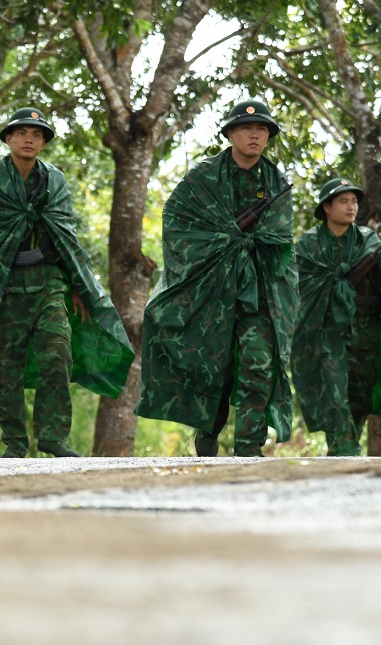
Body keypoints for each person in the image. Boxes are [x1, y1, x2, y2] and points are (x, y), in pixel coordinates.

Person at [0, 107, 133, 458]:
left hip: (50, 283)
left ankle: (53, 438)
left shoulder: (55, 181)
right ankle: (15, 443)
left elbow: (66, 237)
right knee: (8, 367)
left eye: (37, 135)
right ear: (8, 139)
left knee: (58, 358)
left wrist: (77, 288)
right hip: (4, 288)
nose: (29, 140)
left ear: (43, 143)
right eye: (22, 133)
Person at [137, 99, 297, 457]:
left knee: (258, 363)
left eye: (261, 130)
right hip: (210, 288)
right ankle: (207, 434)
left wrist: (246, 243)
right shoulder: (204, 176)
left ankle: (248, 447)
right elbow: (176, 218)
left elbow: (280, 239)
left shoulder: (275, 182)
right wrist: (224, 239)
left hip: (258, 290)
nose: (254, 135)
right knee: (216, 367)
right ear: (230, 134)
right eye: (245, 128)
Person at [292, 178, 381, 455]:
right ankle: (346, 452)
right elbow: (299, 287)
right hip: (325, 331)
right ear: (326, 208)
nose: (351, 207)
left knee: (359, 397)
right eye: (343, 202)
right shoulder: (309, 245)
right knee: (333, 391)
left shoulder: (367, 240)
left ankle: (341, 451)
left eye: (354, 201)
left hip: (365, 329)